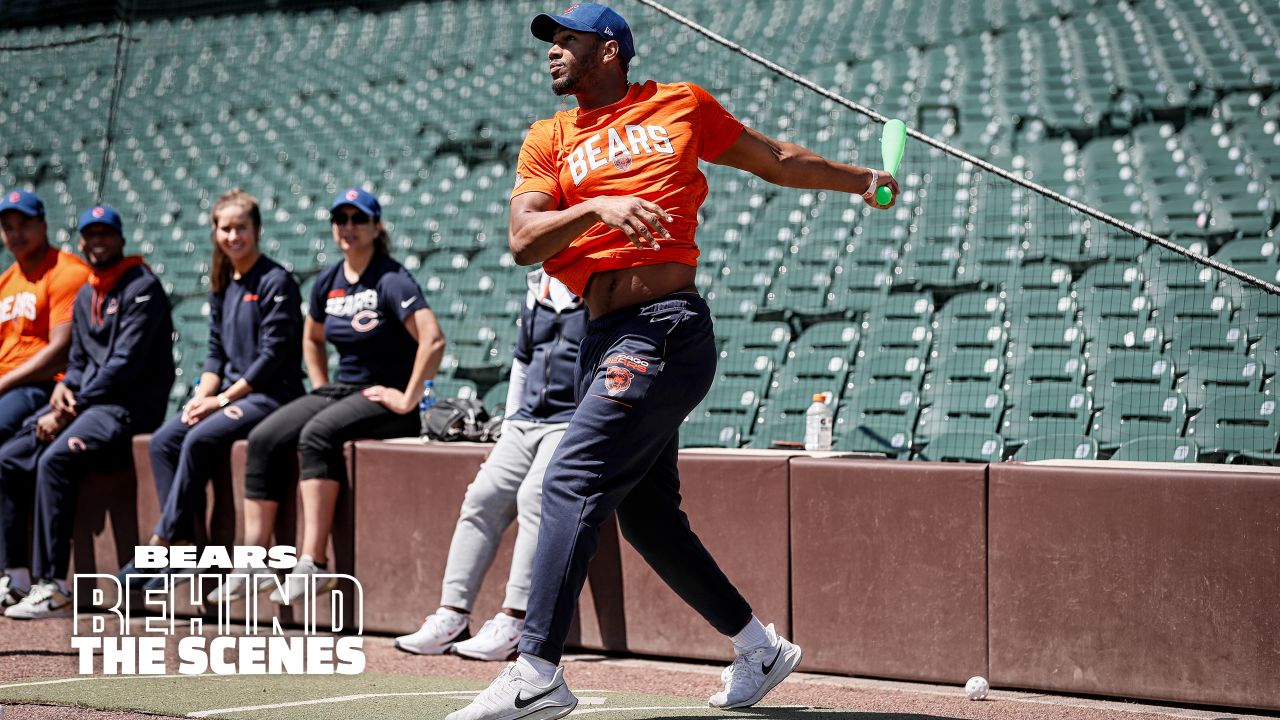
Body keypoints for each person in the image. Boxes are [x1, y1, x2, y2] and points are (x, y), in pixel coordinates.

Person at [447, 4, 899, 719]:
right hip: (598, 338)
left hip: (664, 327)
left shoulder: (679, 105)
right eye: (551, 42)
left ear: (611, 50)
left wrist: (862, 180)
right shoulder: (549, 137)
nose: (553, 52)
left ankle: (536, 668)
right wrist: (599, 205)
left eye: (568, 40)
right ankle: (759, 647)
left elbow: (774, 160)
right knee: (648, 518)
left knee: (568, 476)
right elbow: (524, 239)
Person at [208, 187, 446, 603]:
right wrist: (320, 384)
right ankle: (252, 562)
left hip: (383, 396)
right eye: (341, 219)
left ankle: (313, 564)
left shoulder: (391, 278)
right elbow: (312, 337)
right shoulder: (329, 279)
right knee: (262, 438)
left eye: (358, 219)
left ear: (376, 227)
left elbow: (433, 339)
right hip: (341, 389)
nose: (348, 228)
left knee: (316, 434)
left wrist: (409, 397)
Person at [117, 190, 304, 590]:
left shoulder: (277, 281)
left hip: (272, 395)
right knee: (164, 440)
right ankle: (183, 546)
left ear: (257, 230)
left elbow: (271, 358)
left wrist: (220, 401)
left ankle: (160, 542)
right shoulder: (222, 283)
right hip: (233, 395)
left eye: (241, 228)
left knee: (200, 438)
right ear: (215, 232)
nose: (233, 236)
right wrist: (202, 396)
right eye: (225, 228)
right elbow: (215, 354)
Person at [396, 268, 586, 661]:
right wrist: (511, 423)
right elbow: (522, 360)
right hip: (525, 420)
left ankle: (515, 620)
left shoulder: (599, 282)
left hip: (573, 418)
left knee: (536, 495)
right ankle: (452, 614)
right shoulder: (538, 285)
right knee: (481, 496)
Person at [1, 204, 174, 619]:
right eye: (90, 235)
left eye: (105, 234)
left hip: (128, 406)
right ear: (81, 240)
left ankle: (55, 587)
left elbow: (123, 366)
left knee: (56, 459)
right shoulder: (88, 292)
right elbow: (77, 360)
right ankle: (17, 578)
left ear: (120, 238)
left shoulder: (142, 286)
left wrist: (66, 407)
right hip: (89, 403)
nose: (98, 242)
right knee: (9, 457)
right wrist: (64, 386)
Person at [0, 191, 91, 441]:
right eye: (8, 227)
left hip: (44, 386)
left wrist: (3, 383)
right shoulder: (5, 282)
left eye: (24, 225)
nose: (16, 234)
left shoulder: (67, 272)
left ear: (43, 225)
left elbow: (60, 354)